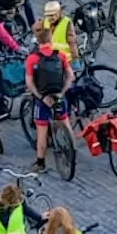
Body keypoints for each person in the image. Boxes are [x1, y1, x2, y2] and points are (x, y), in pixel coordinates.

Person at [24, 36, 74, 173]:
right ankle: (71, 147)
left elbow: (29, 83)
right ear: (51, 40)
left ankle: (40, 163)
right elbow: (70, 76)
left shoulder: (32, 59)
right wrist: (62, 93)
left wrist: (40, 97)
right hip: (58, 96)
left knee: (42, 132)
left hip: (43, 100)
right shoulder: (61, 55)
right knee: (66, 122)